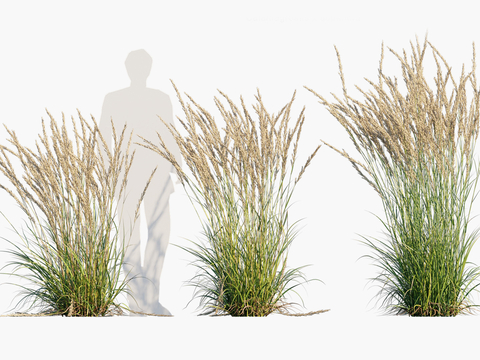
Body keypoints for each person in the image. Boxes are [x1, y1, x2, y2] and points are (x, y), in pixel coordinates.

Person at [99, 49, 182, 315]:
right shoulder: (115, 99)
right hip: (129, 176)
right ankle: (141, 301)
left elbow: (170, 134)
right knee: (131, 237)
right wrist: (105, 174)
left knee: (154, 235)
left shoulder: (159, 99)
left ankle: (148, 299)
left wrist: (177, 166)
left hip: (152, 175)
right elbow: (104, 140)